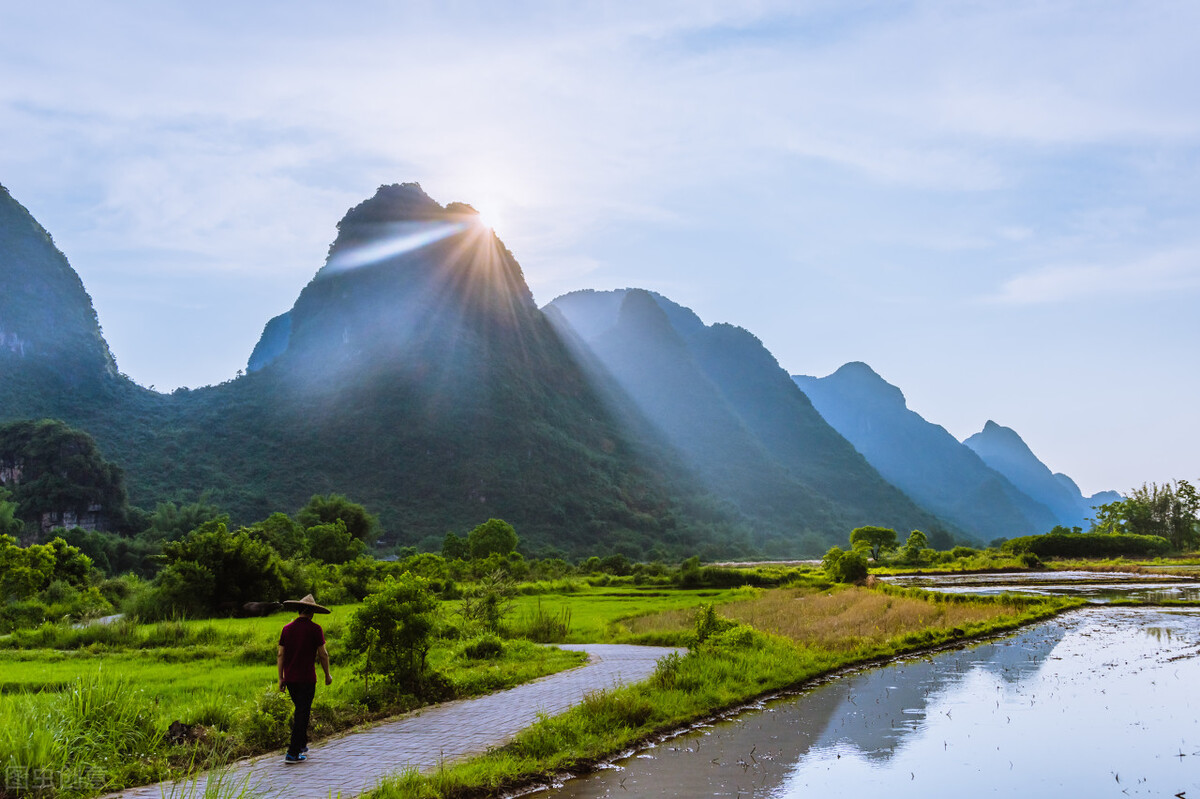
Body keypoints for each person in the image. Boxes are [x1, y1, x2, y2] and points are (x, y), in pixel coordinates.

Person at [277, 593, 332, 764]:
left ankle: (301, 744)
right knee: (302, 714)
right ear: (311, 612)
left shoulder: (287, 629)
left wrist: (281, 678)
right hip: (307, 679)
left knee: (300, 711)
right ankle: (292, 753)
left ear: (300, 610)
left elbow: (280, 654)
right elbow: (323, 654)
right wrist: (327, 674)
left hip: (291, 679)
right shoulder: (315, 629)